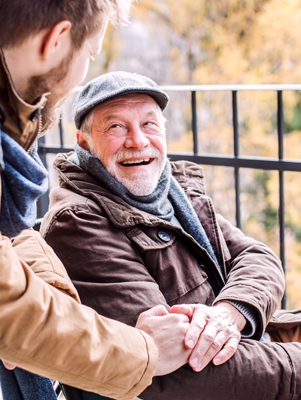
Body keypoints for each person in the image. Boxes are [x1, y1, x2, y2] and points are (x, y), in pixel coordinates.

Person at [0, 2, 193, 399]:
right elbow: (2, 306)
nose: (84, 71)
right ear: (56, 41)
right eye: (90, 54)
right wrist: (147, 352)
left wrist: (41, 284)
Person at [41, 70, 301, 399]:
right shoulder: (77, 223)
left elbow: (258, 258)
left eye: (149, 124)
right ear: (84, 142)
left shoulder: (172, 190)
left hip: (247, 349)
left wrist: (228, 314)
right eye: (116, 127)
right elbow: (169, 372)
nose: (137, 141)